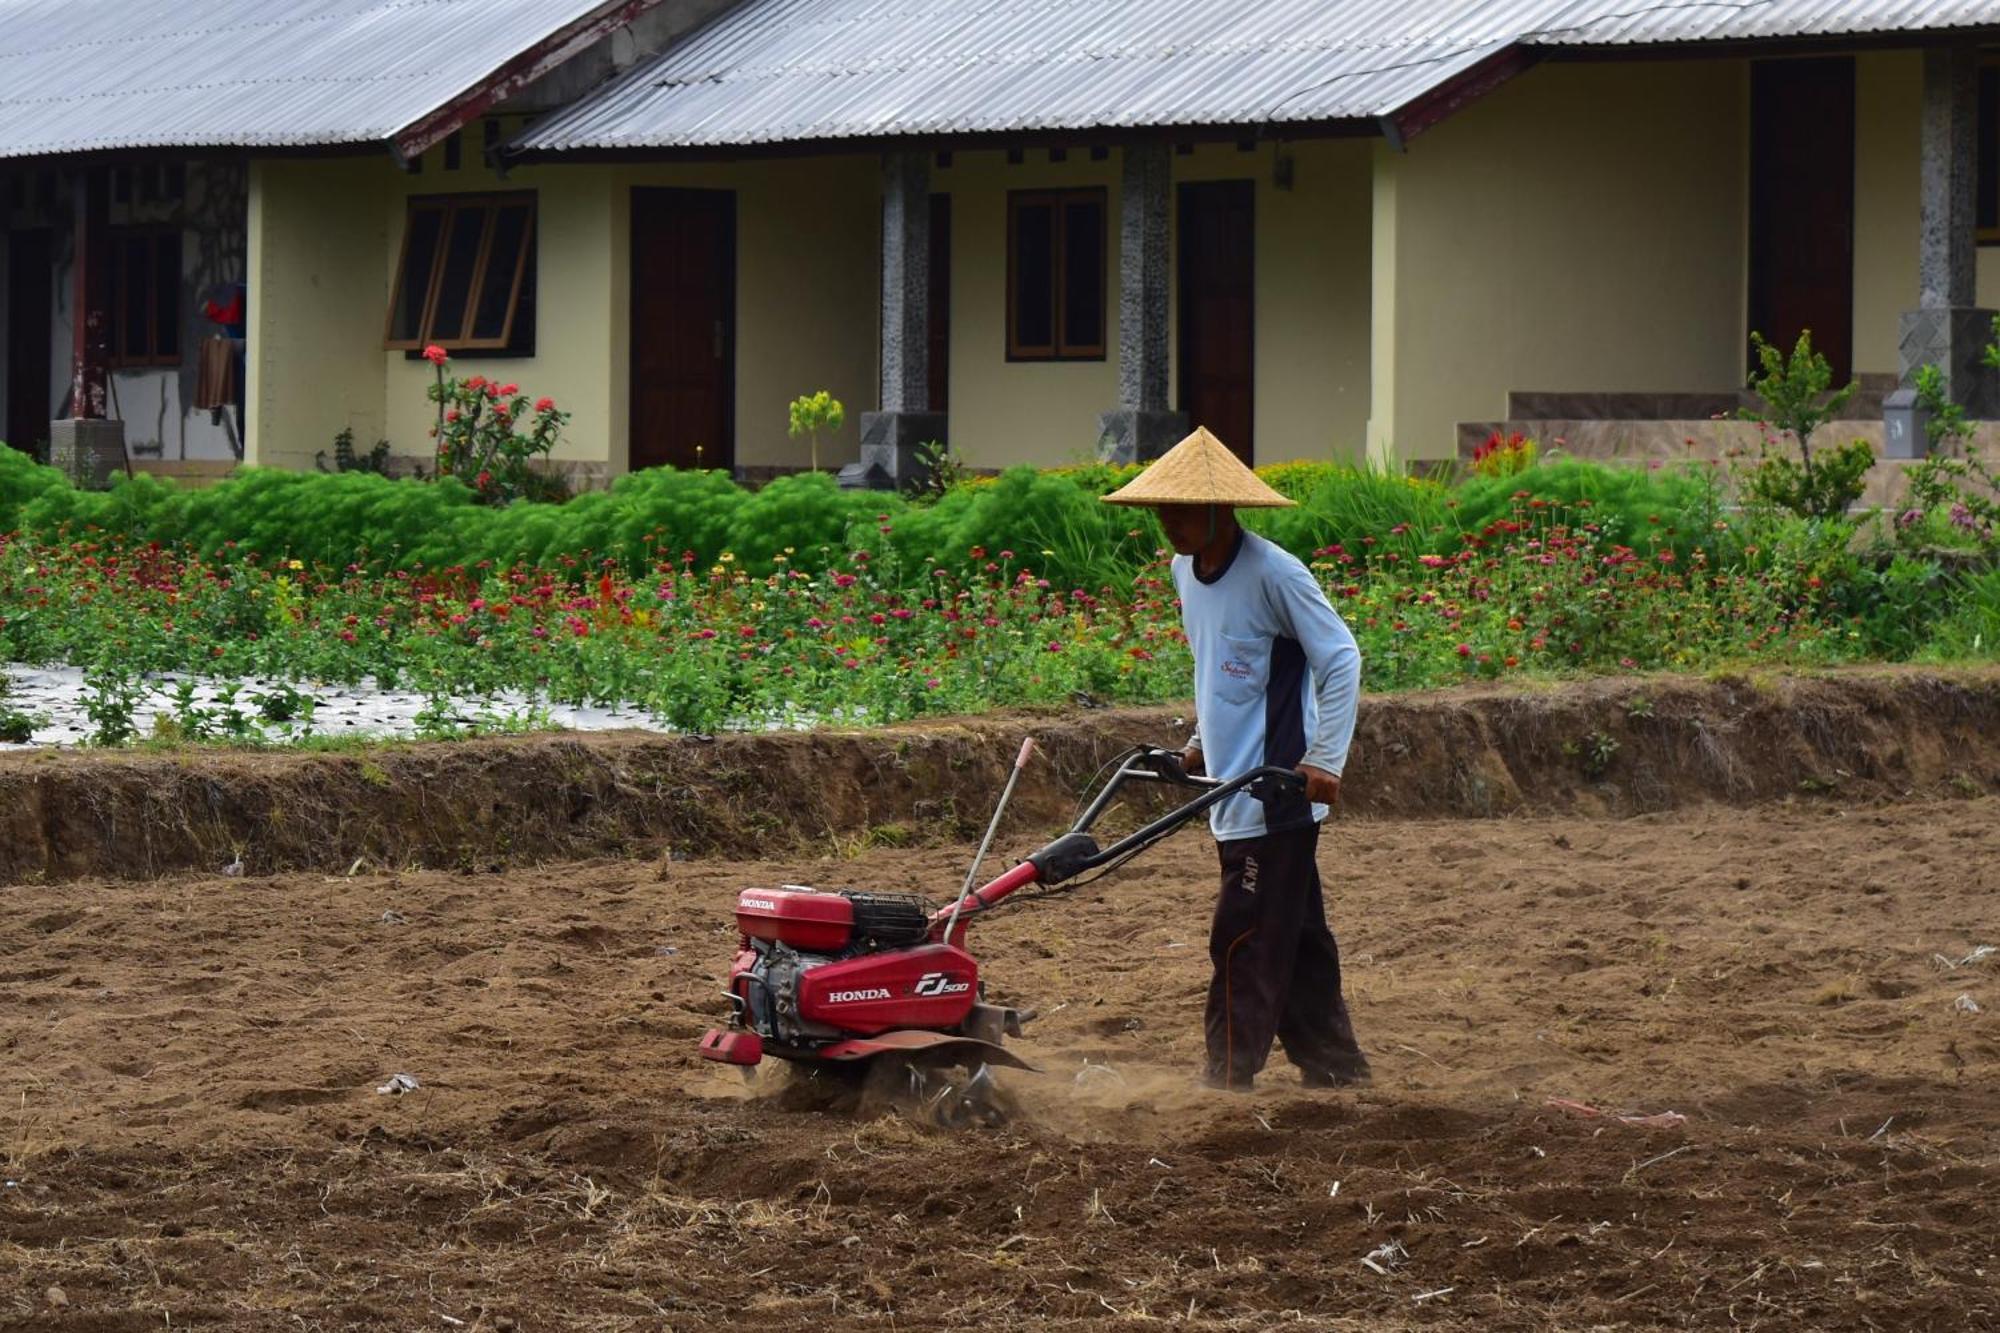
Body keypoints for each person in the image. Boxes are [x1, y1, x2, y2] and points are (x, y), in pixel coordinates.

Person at [1103, 427, 1369, 1091]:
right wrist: (1198, 742)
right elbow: (1227, 673)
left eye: (1184, 510)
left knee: (1241, 935)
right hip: (1230, 784)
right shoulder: (1184, 572)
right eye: (1162, 510)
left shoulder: (1275, 573)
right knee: (1298, 937)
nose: (1169, 524)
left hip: (1275, 793)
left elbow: (1340, 658)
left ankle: (1227, 1076)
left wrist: (1324, 760)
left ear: (1225, 509)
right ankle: (1335, 1067)